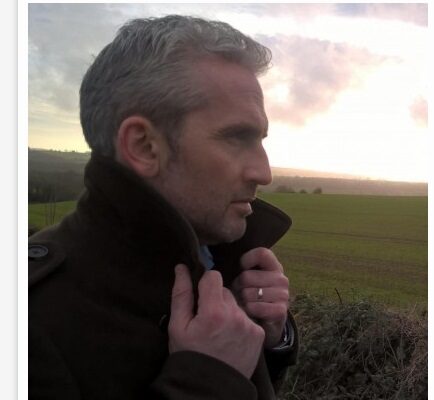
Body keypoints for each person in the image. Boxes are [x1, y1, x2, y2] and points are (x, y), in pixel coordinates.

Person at [28, 15, 298, 399]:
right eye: (237, 137)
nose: (264, 172)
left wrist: (269, 340)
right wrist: (207, 380)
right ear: (144, 146)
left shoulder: (218, 260)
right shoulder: (29, 322)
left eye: (260, 140)